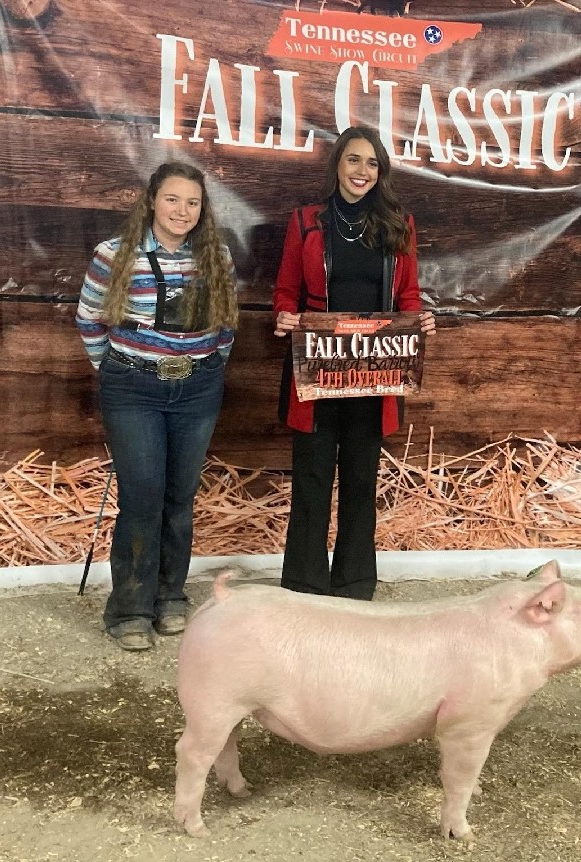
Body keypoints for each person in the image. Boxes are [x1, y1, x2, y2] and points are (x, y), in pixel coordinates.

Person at [76, 161, 238, 651]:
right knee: (142, 497)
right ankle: (129, 607)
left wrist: (205, 364)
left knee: (179, 497)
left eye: (192, 202)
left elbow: (227, 325)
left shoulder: (216, 255)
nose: (182, 211)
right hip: (133, 390)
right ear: (151, 201)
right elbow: (89, 319)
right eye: (172, 199)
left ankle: (170, 596)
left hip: (197, 388)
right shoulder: (115, 253)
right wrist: (120, 370)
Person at [273, 126, 436, 600]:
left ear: (380, 171)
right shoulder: (305, 221)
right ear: (337, 165)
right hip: (317, 369)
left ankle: (354, 587)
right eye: (353, 160)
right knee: (312, 479)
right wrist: (285, 316)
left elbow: (408, 295)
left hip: (374, 372)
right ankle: (303, 587)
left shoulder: (399, 224)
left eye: (371, 163)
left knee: (362, 481)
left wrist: (419, 321)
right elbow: (286, 289)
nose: (361, 171)